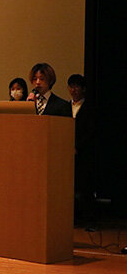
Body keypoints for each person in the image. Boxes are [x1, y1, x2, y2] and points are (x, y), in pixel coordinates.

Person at [68, 74, 96, 225]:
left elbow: (91, 131)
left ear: (83, 89)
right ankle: (72, 218)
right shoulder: (66, 106)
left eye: (77, 86)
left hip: (84, 153)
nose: (74, 90)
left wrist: (77, 146)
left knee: (85, 187)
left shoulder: (90, 108)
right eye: (71, 86)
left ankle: (89, 220)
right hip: (66, 152)